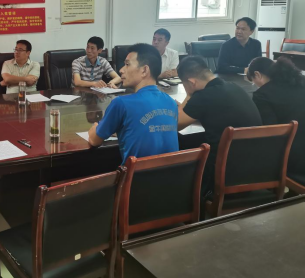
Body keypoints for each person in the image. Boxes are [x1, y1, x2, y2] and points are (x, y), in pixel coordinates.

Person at [177, 56, 262, 196]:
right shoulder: (234, 87)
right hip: (256, 165)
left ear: (192, 82)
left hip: (225, 171)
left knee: (185, 148)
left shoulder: (203, 96)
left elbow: (176, 124)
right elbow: (216, 115)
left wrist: (188, 96)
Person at [87, 43, 179, 163]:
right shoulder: (171, 102)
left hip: (136, 175)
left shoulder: (121, 103)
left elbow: (94, 140)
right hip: (173, 174)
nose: (121, 70)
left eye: (127, 64)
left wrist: (95, 128)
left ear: (144, 70)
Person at [247, 56, 305, 181]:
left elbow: (271, 133)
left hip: (294, 160)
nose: (255, 85)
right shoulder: (301, 81)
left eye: (253, 81)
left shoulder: (262, 95)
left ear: (257, 74)